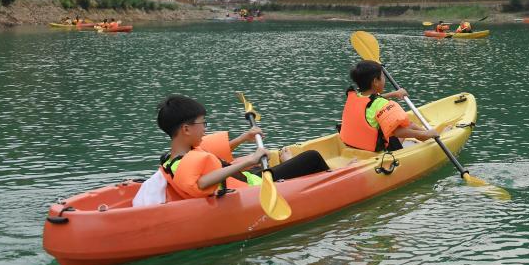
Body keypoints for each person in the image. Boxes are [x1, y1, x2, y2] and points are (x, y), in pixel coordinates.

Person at [156, 94, 328, 200]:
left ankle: (285, 166)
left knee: (262, 162)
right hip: (257, 187)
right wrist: (250, 160)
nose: (205, 128)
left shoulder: (180, 155)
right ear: (186, 129)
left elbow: (212, 157)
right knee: (312, 157)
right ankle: (333, 180)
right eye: (203, 123)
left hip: (246, 179)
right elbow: (201, 182)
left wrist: (244, 138)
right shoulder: (182, 165)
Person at [340, 60, 438, 151]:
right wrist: (425, 133)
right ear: (375, 81)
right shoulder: (382, 104)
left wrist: (394, 94)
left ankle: (427, 135)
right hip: (377, 150)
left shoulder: (356, 96)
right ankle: (429, 136)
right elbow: (398, 132)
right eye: (382, 77)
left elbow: (371, 100)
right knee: (409, 125)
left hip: (355, 145)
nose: (384, 80)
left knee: (397, 126)